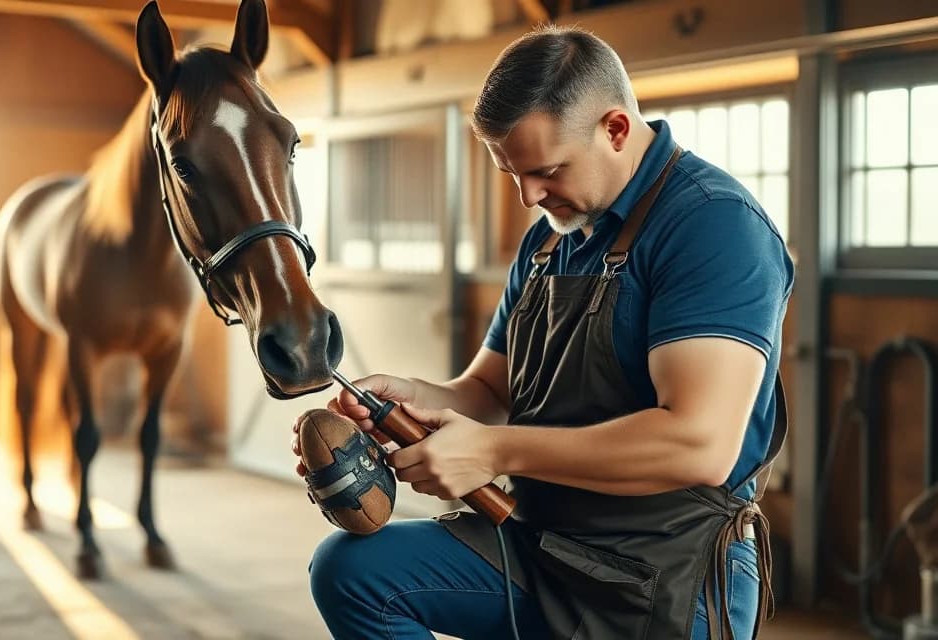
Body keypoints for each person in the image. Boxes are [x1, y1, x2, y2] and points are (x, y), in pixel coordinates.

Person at [291, 23, 794, 640]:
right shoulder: (549, 242)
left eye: (547, 170)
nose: (529, 196)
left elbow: (698, 444)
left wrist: (494, 451)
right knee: (353, 573)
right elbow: (487, 391)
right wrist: (412, 399)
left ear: (615, 129)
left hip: (664, 572)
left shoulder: (713, 225)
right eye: (512, 173)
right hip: (540, 542)